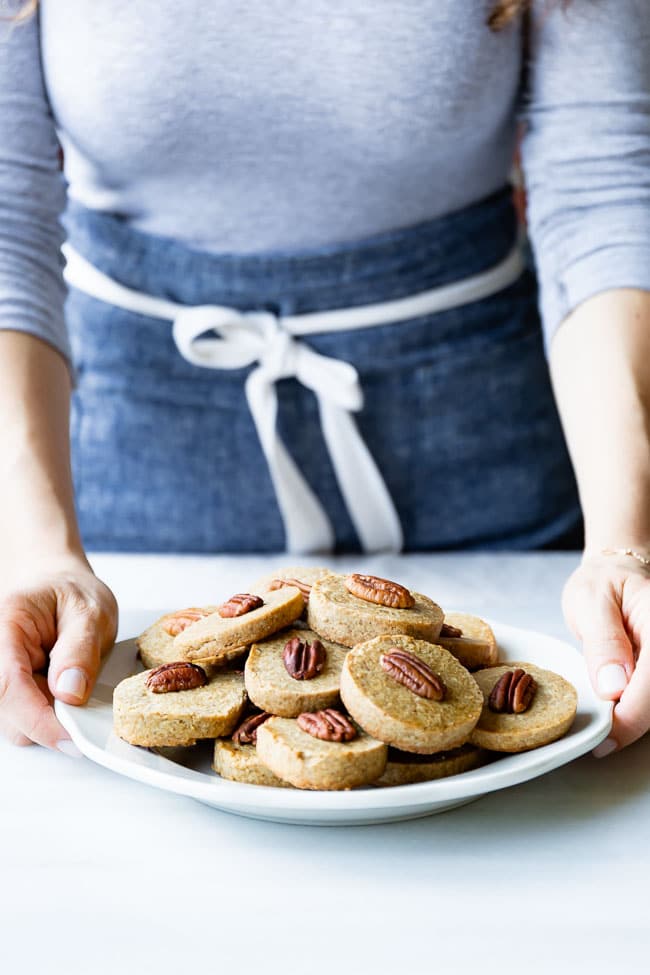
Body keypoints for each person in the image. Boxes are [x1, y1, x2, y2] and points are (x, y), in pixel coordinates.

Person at [0, 0, 649, 759]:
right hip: (129, 476)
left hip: (483, 456)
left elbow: (600, 189)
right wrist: (36, 551)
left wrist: (626, 547)